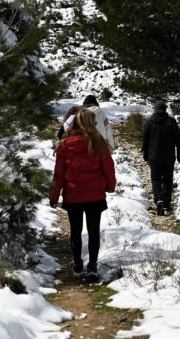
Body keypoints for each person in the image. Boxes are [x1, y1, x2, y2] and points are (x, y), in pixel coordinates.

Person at [50, 106, 117, 279]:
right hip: (95, 195)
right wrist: (110, 186)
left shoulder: (64, 145)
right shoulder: (99, 143)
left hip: (73, 196)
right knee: (94, 231)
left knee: (76, 231)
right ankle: (92, 266)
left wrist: (54, 195)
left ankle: (77, 263)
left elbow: (59, 173)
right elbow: (108, 169)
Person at [142, 99, 180, 216]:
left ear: (155, 109)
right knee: (167, 179)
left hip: (154, 157)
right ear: (165, 109)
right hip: (169, 157)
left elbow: (145, 141)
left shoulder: (149, 122)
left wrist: (145, 155)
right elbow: (178, 141)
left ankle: (158, 200)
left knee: (155, 179)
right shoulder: (171, 121)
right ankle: (166, 203)